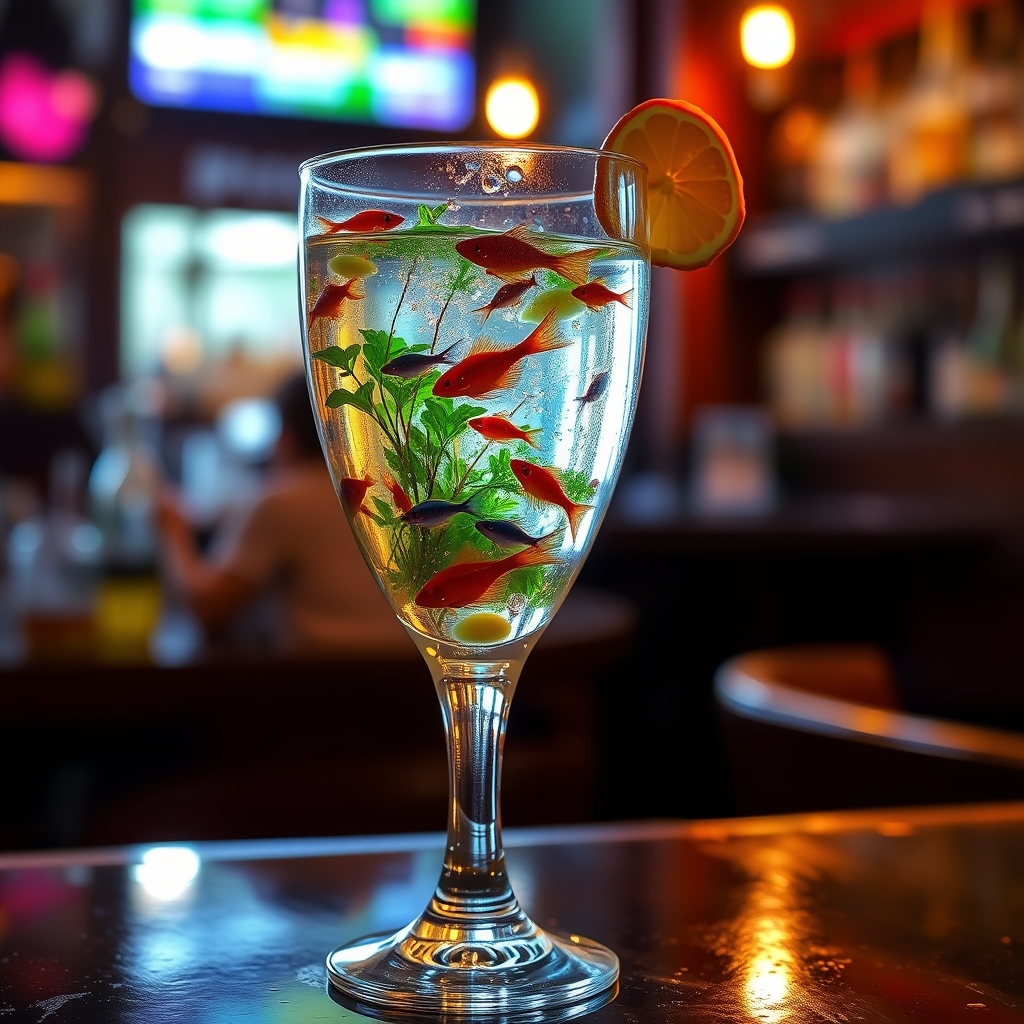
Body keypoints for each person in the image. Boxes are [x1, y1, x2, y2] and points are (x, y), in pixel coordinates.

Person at [158, 373, 410, 656]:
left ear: (286, 437)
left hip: (322, 686)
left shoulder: (285, 500)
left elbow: (209, 607)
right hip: (410, 683)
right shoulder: (395, 494)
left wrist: (173, 526)